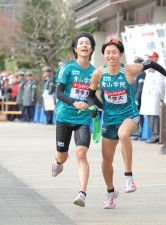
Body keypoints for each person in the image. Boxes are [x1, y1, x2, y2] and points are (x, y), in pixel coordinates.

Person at [87, 37, 166, 209]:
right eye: (108, 52)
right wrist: (96, 107)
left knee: (123, 134)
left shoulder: (129, 69)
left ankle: (128, 177)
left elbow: (152, 64)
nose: (111, 56)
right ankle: (110, 192)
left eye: (114, 52)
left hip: (129, 114)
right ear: (103, 55)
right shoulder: (98, 73)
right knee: (106, 160)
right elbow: (90, 95)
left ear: (121, 54)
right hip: (109, 119)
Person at [51, 31, 102, 208]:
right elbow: (58, 93)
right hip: (64, 116)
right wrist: (74, 102)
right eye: (81, 43)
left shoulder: (95, 73)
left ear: (92, 48)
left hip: (83, 119)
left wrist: (105, 108)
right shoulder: (67, 68)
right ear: (75, 48)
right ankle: (58, 163)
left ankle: (82, 194)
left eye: (88, 43)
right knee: (62, 156)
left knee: (81, 153)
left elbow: (92, 97)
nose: (84, 45)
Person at [140, 51, 165, 143]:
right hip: (148, 98)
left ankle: (156, 136)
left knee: (154, 117)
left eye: (150, 58)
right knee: (150, 116)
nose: (148, 59)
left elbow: (161, 85)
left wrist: (162, 97)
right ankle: (153, 135)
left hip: (154, 97)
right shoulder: (149, 70)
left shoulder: (158, 70)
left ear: (155, 59)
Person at [131, 56, 146, 140]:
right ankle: (135, 133)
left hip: (138, 99)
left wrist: (137, 99)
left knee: (139, 117)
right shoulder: (135, 74)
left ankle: (139, 134)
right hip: (133, 98)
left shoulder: (142, 74)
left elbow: (140, 88)